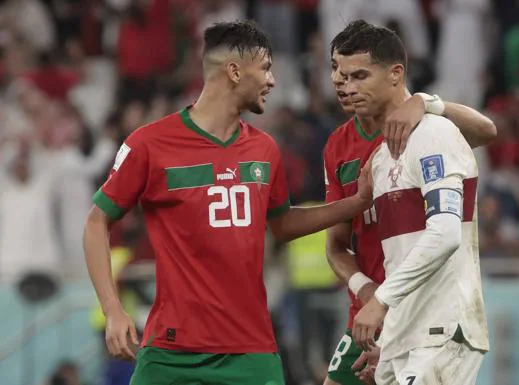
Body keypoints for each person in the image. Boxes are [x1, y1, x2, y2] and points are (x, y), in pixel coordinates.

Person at [83, 21, 376, 385]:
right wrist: (112, 309)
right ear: (235, 71)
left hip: (251, 352)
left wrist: (357, 202)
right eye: (266, 68)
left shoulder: (265, 149)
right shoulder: (149, 145)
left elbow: (282, 224)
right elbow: (97, 222)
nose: (272, 81)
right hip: (171, 353)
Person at [323, 20, 496, 385]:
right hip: (383, 316)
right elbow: (336, 246)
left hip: (430, 318)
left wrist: (426, 102)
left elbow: (486, 132)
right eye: (337, 71)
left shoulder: (432, 132)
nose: (342, 83)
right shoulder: (354, 152)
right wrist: (371, 296)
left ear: (395, 74)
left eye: (357, 75)